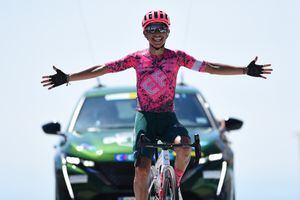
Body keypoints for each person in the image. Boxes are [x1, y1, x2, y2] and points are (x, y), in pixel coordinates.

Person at [41, 10, 272, 200]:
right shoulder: (136, 59)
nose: (157, 33)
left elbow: (210, 67)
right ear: (145, 33)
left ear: (168, 31)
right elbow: (102, 69)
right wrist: (69, 77)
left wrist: (244, 70)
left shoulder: (178, 57)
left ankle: (176, 183)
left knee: (184, 147)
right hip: (146, 118)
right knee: (141, 169)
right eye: (152, 29)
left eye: (161, 28)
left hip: (168, 117)